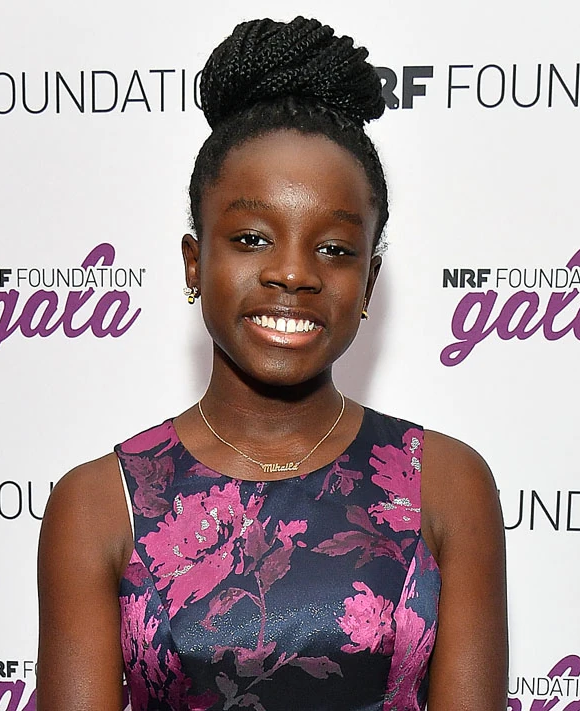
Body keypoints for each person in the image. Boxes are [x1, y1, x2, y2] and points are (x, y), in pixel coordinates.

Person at [37, 16, 507, 711]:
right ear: (194, 262)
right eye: (253, 238)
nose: (293, 272)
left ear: (369, 284)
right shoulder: (100, 503)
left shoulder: (446, 483)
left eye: (335, 249)